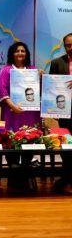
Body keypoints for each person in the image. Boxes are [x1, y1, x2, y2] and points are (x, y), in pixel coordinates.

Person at [0, 41, 41, 190]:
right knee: (11, 141)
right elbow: (2, 90)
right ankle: (14, 175)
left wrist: (41, 77)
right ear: (12, 54)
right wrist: (12, 106)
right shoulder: (5, 70)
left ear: (26, 54)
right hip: (12, 113)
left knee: (30, 139)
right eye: (17, 51)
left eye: (23, 51)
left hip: (31, 114)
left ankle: (26, 173)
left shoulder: (33, 69)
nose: (20, 53)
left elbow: (40, 90)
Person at [49, 32, 72, 193]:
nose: (71, 48)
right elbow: (52, 87)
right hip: (64, 112)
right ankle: (68, 179)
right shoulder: (57, 63)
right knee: (66, 145)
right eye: (68, 45)